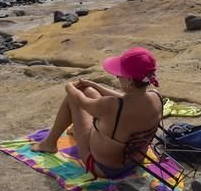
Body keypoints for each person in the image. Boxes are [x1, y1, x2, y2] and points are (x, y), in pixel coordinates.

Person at [31, 47, 163, 179]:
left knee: (73, 97)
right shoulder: (155, 97)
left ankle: (49, 143)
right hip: (134, 161)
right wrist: (94, 85)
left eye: (119, 75)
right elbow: (123, 100)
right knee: (90, 91)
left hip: (103, 168)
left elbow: (81, 101)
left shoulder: (112, 105)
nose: (117, 77)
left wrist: (69, 87)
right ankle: (71, 130)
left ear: (129, 80)